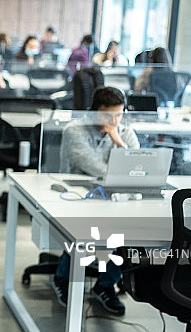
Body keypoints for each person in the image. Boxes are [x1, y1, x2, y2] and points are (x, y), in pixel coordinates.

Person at [54, 87, 139, 316]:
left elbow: (138, 165)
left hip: (114, 194)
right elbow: (94, 167)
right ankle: (63, 278)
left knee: (122, 233)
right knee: (83, 232)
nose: (114, 121)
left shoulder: (122, 130)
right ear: (94, 112)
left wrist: (118, 140)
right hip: (76, 193)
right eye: (107, 115)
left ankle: (105, 285)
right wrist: (125, 170)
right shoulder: (75, 130)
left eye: (119, 115)